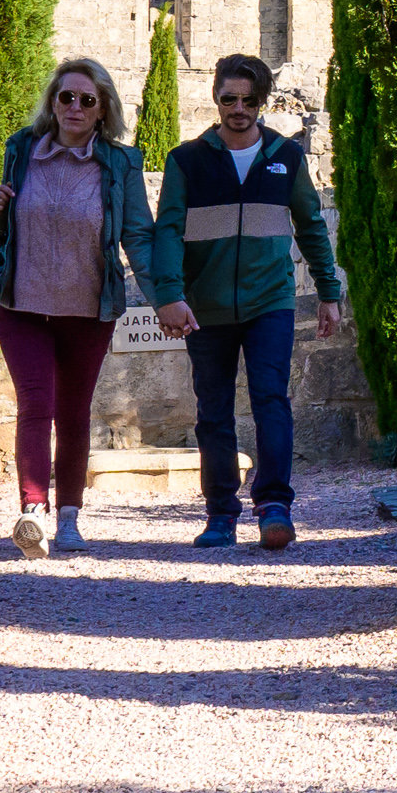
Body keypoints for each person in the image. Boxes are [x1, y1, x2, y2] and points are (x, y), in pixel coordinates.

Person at [148, 51, 345, 550]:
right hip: (205, 305)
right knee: (213, 410)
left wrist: (328, 292)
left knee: (271, 400)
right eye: (230, 98)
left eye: (249, 100)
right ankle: (220, 516)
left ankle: (275, 507)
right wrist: (169, 295)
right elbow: (167, 230)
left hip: (270, 302)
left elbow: (311, 225)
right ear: (215, 96)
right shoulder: (186, 161)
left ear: (262, 102)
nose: (239, 108)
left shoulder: (286, 156)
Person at [0, 56, 156, 556]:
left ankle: (70, 518)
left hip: (87, 310)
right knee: (35, 405)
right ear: (52, 103)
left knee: (73, 413)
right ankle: (33, 513)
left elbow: (138, 237)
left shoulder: (120, 164)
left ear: (103, 110)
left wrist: (166, 299)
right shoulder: (22, 148)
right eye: (66, 96)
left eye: (87, 100)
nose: (75, 106)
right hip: (22, 304)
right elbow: (15, 221)